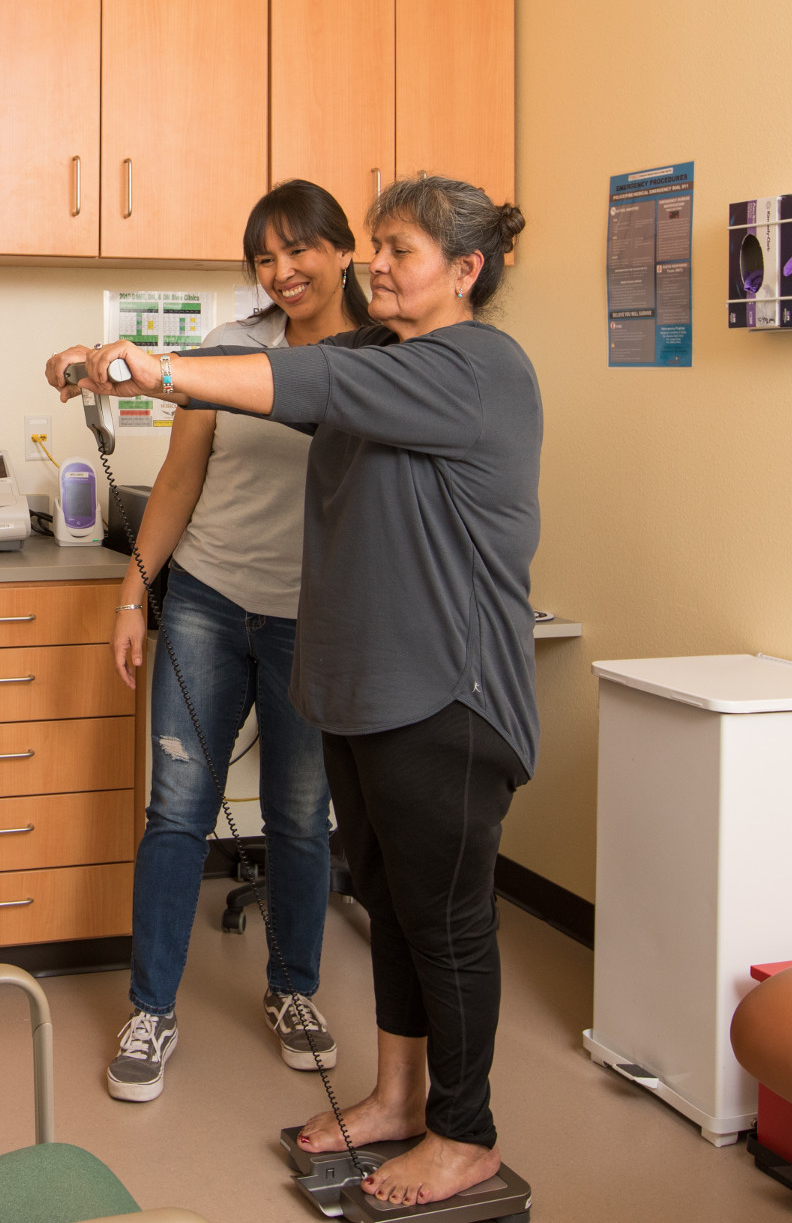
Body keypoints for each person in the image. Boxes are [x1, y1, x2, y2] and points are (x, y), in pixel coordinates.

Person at [47, 173, 538, 1208]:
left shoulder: (475, 366)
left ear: (464, 269)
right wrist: (111, 365)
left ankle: (464, 1132)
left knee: (441, 924)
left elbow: (299, 389)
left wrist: (157, 365)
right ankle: (399, 1096)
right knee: (396, 914)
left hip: (447, 696)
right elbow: (258, 369)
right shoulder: (382, 354)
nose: (374, 265)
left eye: (396, 251)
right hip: (366, 692)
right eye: (376, 245)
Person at [92, 181, 370, 1105]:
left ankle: (293, 991)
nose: (283, 272)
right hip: (208, 602)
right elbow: (178, 480)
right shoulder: (226, 351)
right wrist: (136, 594)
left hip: (315, 621)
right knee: (177, 809)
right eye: (264, 257)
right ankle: (152, 1010)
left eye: (300, 251)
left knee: (298, 817)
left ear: (343, 249)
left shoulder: (381, 358)